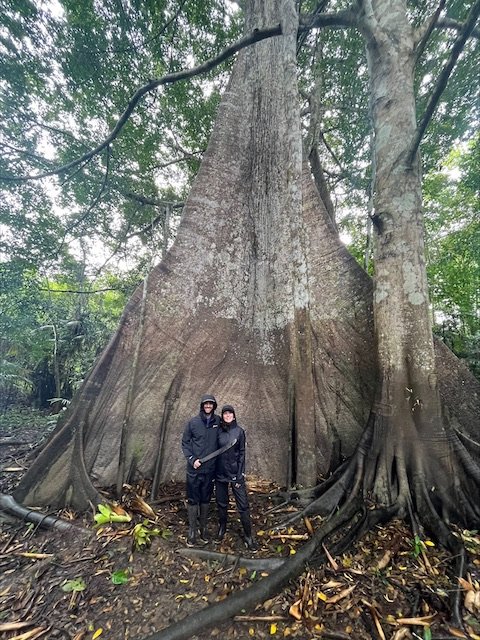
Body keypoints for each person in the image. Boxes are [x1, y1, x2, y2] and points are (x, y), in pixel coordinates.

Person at [215, 404, 257, 551]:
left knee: (243, 505)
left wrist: (239, 475)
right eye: (225, 414)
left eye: (230, 414)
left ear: (234, 416)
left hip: (235, 474)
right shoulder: (218, 432)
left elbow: (242, 454)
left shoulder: (239, 432)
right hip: (220, 474)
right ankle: (222, 527)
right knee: (221, 503)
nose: (227, 416)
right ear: (222, 416)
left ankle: (248, 535)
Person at [181, 394, 220, 546]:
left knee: (206, 498)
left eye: (211, 404)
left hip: (210, 469)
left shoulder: (218, 421)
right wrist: (192, 459)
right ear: (202, 406)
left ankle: (203, 529)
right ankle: (192, 530)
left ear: (214, 406)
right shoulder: (193, 422)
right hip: (195, 469)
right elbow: (185, 442)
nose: (208, 406)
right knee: (193, 498)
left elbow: (226, 435)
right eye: (206, 404)